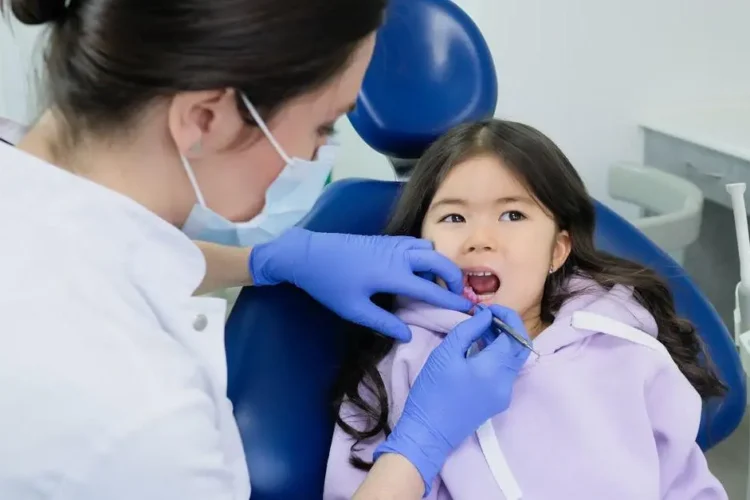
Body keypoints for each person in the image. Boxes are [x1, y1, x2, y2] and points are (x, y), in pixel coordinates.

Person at [0, 1, 531, 499]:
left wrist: (264, 261)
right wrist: (419, 448)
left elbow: (106, 253)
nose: (320, 151)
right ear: (205, 118)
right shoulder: (143, 421)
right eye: (324, 123)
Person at [324, 119, 729, 499]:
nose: (480, 239)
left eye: (512, 214)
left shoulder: (623, 347)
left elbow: (686, 485)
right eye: (453, 216)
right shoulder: (396, 368)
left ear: (557, 250)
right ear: (419, 245)